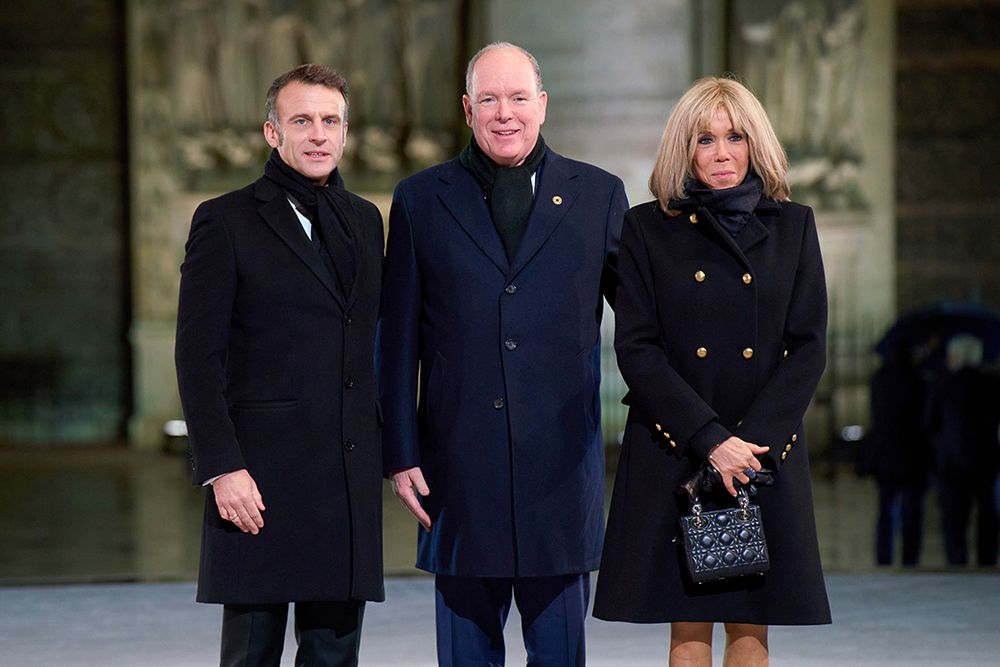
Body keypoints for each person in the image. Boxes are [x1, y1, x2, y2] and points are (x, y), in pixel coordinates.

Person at [380, 42, 627, 666]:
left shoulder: (599, 196)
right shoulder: (420, 199)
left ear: (542, 105)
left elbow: (645, 323)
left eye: (518, 98)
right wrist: (400, 453)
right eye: (489, 99)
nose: (505, 113)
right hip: (457, 471)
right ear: (467, 109)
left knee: (560, 655)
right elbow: (397, 338)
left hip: (560, 473)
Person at [592, 77, 832, 665]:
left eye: (735, 137)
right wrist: (710, 440)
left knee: (751, 627)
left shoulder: (793, 225)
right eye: (705, 139)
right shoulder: (647, 228)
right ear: (684, 148)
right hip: (681, 446)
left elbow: (808, 346)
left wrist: (751, 446)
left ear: (757, 145)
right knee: (688, 626)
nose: (721, 153)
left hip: (762, 450)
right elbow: (638, 348)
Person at [175, 64, 385, 667]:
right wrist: (221, 467)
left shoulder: (366, 221)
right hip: (257, 482)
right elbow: (196, 354)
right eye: (302, 121)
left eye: (330, 121)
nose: (318, 134)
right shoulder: (226, 219)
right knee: (251, 655)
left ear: (346, 133)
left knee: (334, 656)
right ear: (273, 133)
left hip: (345, 477)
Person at [926, 334, 1000, 566]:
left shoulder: (943, 384)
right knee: (987, 517)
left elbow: (929, 422)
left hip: (952, 462)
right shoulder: (993, 382)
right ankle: (986, 562)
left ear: (956, 356)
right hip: (987, 459)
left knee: (954, 520)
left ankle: (957, 563)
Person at [866, 348, 932, 566]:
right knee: (912, 511)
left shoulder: (879, 380)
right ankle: (910, 558)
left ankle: (883, 557)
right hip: (913, 455)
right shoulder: (918, 380)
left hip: (886, 454)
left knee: (885, 509)